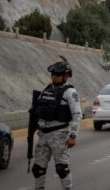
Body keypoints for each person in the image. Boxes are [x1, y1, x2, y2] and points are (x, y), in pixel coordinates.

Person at [31, 57, 82, 190]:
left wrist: (73, 136)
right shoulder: (46, 89)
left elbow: (77, 115)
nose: (54, 76)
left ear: (66, 76)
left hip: (59, 135)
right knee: (38, 169)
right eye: (53, 74)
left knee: (61, 168)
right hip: (44, 134)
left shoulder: (70, 92)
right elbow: (40, 109)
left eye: (57, 74)